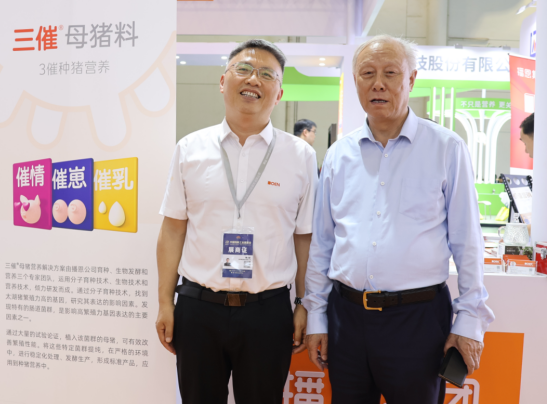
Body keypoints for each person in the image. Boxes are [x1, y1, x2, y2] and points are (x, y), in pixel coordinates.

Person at [303, 35, 494, 404]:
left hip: (418, 321)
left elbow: (467, 242)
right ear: (355, 81)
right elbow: (323, 243)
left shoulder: (446, 148)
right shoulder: (339, 154)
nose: (378, 83)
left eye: (390, 73)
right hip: (346, 318)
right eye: (367, 74)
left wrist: (470, 320)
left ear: (411, 80)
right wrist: (317, 317)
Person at [156, 39, 318, 404]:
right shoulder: (190, 149)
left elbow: (304, 237)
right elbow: (173, 228)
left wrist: (303, 302)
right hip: (198, 308)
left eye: (267, 74)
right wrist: (165, 301)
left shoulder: (300, 156)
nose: (253, 79)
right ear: (222, 81)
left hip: (268, 312)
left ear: (279, 93)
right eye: (243, 69)